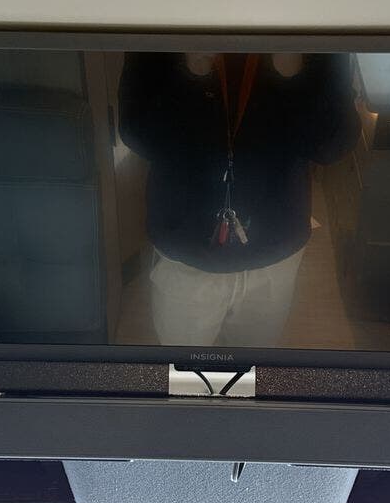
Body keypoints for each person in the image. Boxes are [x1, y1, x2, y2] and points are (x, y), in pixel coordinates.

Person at [118, 51, 358, 348]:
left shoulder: (313, 30)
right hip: (185, 250)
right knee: (187, 371)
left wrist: (293, 73)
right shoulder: (164, 27)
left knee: (248, 368)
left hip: (274, 250)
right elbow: (136, 133)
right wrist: (192, 72)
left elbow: (333, 144)